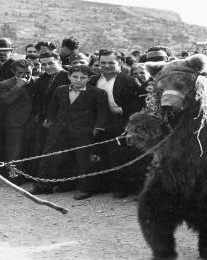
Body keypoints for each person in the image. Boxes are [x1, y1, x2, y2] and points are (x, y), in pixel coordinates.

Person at [30, 65, 109, 199]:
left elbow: (102, 113)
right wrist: (52, 122)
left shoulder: (97, 93)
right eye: (75, 77)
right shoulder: (60, 90)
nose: (78, 80)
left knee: (84, 160)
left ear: (89, 78)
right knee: (50, 157)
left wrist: (98, 128)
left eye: (83, 77)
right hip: (60, 130)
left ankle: (85, 188)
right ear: (69, 76)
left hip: (84, 131)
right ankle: (43, 186)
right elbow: (52, 108)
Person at [87, 50, 141, 198]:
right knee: (97, 155)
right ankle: (99, 186)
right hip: (98, 123)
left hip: (119, 123)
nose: (106, 66)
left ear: (120, 63)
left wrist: (121, 110)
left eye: (111, 62)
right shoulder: (93, 80)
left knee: (117, 156)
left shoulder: (129, 81)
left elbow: (136, 106)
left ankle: (121, 188)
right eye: (103, 62)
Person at [0, 59, 38, 181]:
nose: (25, 75)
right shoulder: (4, 84)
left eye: (28, 72)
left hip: (34, 121)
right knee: (14, 150)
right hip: (15, 122)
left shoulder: (37, 81)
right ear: (13, 71)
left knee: (32, 149)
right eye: (20, 72)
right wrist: (18, 86)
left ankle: (30, 176)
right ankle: (14, 177)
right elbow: (6, 100)